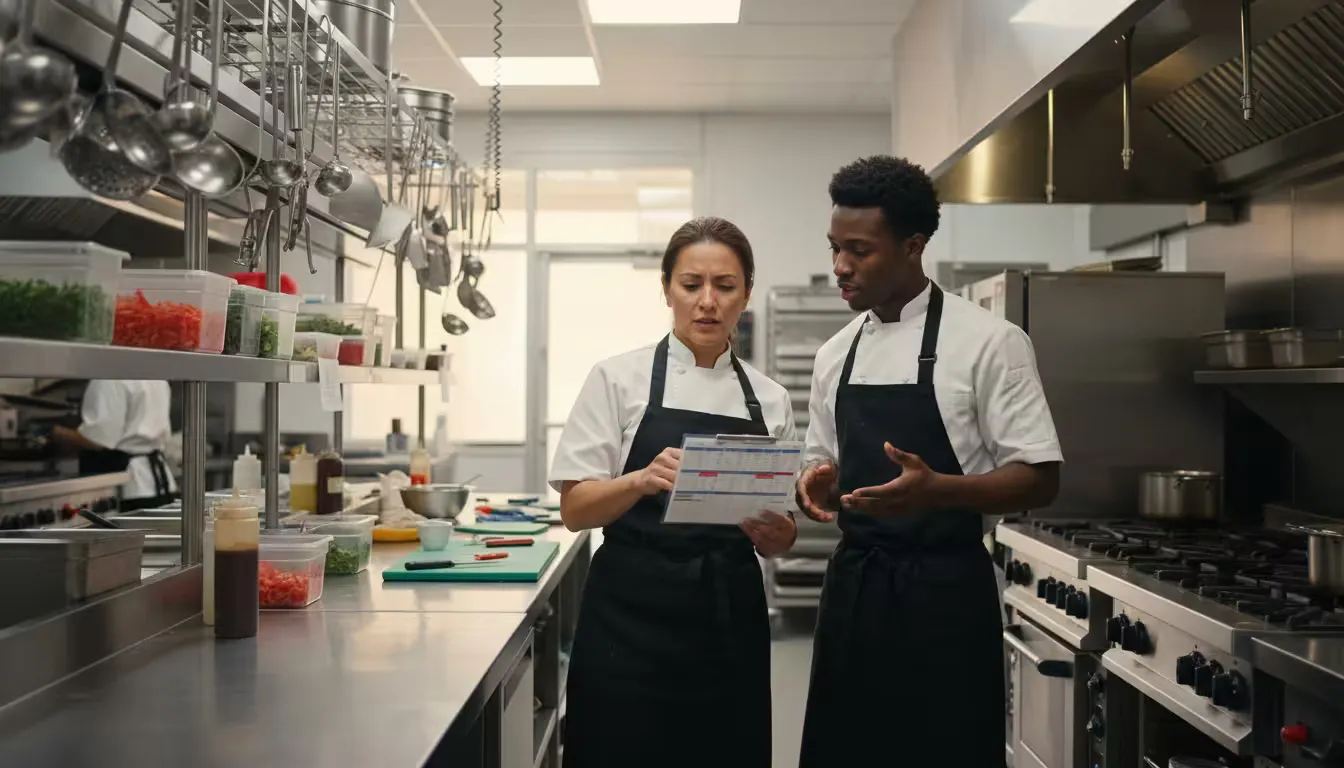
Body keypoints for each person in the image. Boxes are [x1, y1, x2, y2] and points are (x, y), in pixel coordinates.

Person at [796, 156, 1062, 767]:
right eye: (835, 247)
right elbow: (822, 457)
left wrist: (938, 491)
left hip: (944, 595)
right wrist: (817, 480)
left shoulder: (991, 343)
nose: (840, 266)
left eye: (859, 251)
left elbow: (1042, 477)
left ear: (913, 246)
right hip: (855, 593)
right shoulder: (835, 354)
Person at [549, 216, 797, 768]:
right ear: (667, 289)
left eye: (726, 286)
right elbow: (574, 509)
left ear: (746, 294)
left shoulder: (771, 399)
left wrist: (779, 533)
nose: (707, 302)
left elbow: (779, 537)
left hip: (728, 613)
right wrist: (639, 480)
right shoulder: (617, 380)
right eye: (691, 285)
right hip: (631, 611)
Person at [50, 380, 176, 512]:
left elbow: (97, 439)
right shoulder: (157, 378)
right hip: (159, 484)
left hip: (127, 485)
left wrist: (58, 434)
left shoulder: (109, 379)